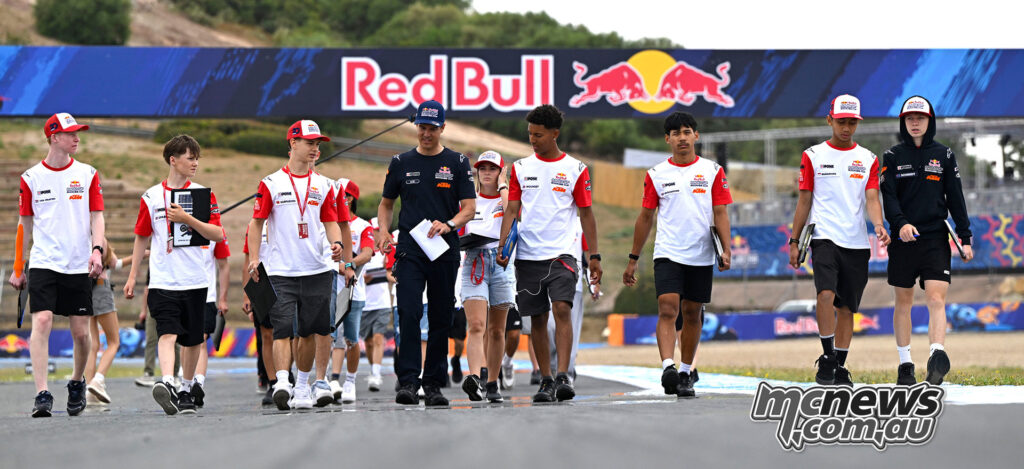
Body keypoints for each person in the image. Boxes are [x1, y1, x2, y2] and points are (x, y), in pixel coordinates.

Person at [622, 112, 732, 397]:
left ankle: (685, 373)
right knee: (668, 307)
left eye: (686, 132)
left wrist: (726, 248)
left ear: (696, 136)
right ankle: (668, 366)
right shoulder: (656, 174)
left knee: (693, 313)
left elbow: (720, 211)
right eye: (676, 133)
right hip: (668, 252)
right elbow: (645, 217)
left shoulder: (712, 171)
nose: (681, 138)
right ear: (667, 139)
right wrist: (633, 258)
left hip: (701, 254)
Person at [497, 104, 602, 402]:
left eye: (539, 135)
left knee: (562, 310)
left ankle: (563, 375)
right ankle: (545, 379)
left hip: (562, 254)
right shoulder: (519, 168)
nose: (532, 139)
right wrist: (503, 245)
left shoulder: (576, 169)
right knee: (538, 319)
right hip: (528, 255)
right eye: (530, 134)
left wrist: (594, 256)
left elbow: (587, 215)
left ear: (555, 134)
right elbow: (512, 210)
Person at [247, 120, 353, 411]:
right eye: (309, 143)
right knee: (281, 329)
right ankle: (282, 381)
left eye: (318, 144)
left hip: (317, 269)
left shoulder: (325, 185)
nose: (315, 149)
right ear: (292, 144)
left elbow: (331, 222)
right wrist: (255, 258)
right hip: (281, 269)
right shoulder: (270, 183)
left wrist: (338, 246)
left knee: (308, 332)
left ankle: (303, 385)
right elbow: (255, 225)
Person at [375, 100, 476, 407]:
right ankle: (407, 382)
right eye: (422, 127)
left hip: (445, 249)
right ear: (416, 126)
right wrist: (382, 231)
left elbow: (469, 209)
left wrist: (449, 224)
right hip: (409, 248)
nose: (426, 134)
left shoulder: (457, 162)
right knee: (408, 311)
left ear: (442, 128)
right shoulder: (400, 162)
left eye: (433, 128)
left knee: (441, 316)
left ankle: (433, 384)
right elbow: (386, 204)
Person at [788, 94, 890, 386]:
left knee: (847, 308)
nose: (846, 127)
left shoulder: (869, 158)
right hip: (823, 238)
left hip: (856, 243)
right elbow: (804, 200)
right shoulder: (813, 155)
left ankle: (840, 366)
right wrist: (795, 241)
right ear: (830, 120)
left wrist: (879, 225)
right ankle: (827, 356)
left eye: (851, 122)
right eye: (841, 121)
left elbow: (872, 198)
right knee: (825, 295)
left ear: (857, 123)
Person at [124, 134, 226, 415]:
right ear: (173, 160)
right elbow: (142, 237)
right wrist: (133, 276)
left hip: (195, 280)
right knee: (166, 332)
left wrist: (188, 219)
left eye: (196, 158)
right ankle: (167, 381)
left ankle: (186, 388)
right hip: (162, 280)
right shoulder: (151, 196)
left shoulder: (204, 194)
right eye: (190, 157)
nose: (195, 163)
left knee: (193, 340)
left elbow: (218, 234)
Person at [11, 113, 105, 418]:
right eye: (71, 134)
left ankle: (76, 382)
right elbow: (24, 224)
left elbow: (97, 216)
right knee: (42, 322)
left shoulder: (89, 173)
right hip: (44, 262)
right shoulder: (30, 178)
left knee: (81, 333)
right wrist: (18, 267)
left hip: (79, 263)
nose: (77, 138)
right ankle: (42, 393)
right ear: (54, 138)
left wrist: (97, 250)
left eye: (78, 133)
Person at [881, 96, 973, 385]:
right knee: (903, 302)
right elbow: (889, 198)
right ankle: (905, 365)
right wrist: (901, 224)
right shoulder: (892, 156)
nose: (915, 123)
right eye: (910, 118)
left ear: (929, 121)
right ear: (903, 122)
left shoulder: (944, 155)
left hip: (936, 237)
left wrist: (965, 236)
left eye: (920, 118)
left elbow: (956, 198)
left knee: (936, 298)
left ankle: (936, 356)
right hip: (903, 240)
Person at [459, 151, 515, 402]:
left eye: (493, 168)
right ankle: (474, 377)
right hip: (474, 261)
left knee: (496, 330)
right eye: (482, 168)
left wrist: (504, 184)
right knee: (476, 325)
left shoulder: (507, 198)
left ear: (501, 172)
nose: (487, 173)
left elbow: (514, 211)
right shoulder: (469, 201)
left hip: (502, 262)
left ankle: (493, 380)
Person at [329, 179, 374, 404]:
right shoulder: (327, 223)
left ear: (351, 198)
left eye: (344, 195)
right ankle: (332, 380)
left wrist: (348, 266)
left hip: (353, 292)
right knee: (331, 339)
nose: (340, 199)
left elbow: (367, 252)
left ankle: (350, 381)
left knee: (351, 340)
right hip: (328, 291)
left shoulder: (362, 226)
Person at [85, 239, 133, 405]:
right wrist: (140, 256)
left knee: (92, 345)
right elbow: (116, 264)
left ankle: (89, 392)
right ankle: (98, 380)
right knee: (114, 341)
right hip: (100, 286)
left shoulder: (79, 238)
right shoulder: (99, 241)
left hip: (84, 289)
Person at [191, 230, 230, 408]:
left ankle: (198, 382)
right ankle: (185, 380)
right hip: (183, 291)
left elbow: (223, 265)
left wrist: (222, 298)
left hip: (207, 296)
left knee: (201, 339)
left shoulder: (216, 232)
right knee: (186, 340)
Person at [242, 222, 277, 406]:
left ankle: (287, 376)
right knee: (266, 335)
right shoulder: (254, 226)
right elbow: (247, 260)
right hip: (262, 284)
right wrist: (246, 294)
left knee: (291, 335)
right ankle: (273, 382)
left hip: (286, 279)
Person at [359, 217, 391, 392]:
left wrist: (379, 276)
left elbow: (391, 274)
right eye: (375, 231)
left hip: (382, 302)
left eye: (379, 230)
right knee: (369, 342)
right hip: (365, 303)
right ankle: (373, 369)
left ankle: (376, 373)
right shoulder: (363, 250)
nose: (377, 234)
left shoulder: (386, 252)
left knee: (378, 338)